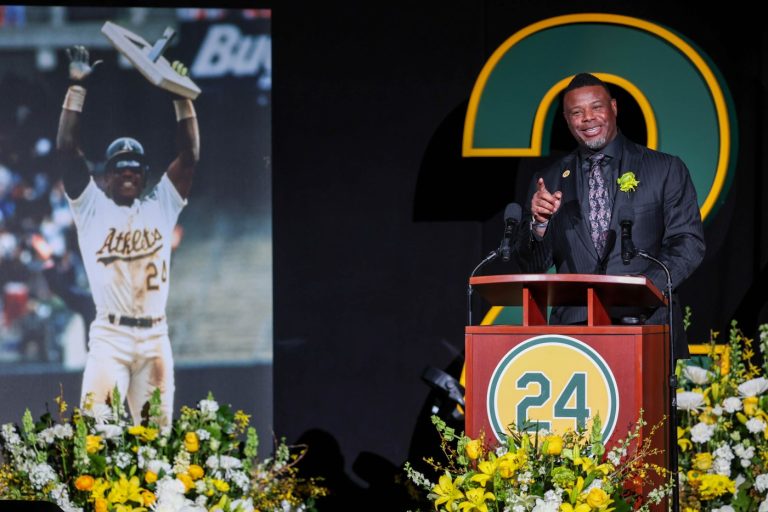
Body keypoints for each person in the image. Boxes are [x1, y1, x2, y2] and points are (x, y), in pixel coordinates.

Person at [57, 45, 200, 424]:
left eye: (135, 168)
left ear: (145, 176)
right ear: (104, 176)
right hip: (111, 335)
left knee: (157, 444)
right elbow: (67, 152)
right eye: (119, 167)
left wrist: (181, 98)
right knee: (96, 432)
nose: (127, 173)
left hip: (155, 336)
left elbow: (189, 156)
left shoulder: (160, 206)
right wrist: (77, 90)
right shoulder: (90, 207)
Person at [517, 73, 704, 358]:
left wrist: (641, 291)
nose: (588, 118)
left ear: (614, 108)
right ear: (568, 121)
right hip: (574, 334)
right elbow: (531, 265)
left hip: (646, 324)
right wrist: (539, 225)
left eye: (596, 107)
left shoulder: (664, 169)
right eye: (576, 113)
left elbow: (688, 244)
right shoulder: (549, 180)